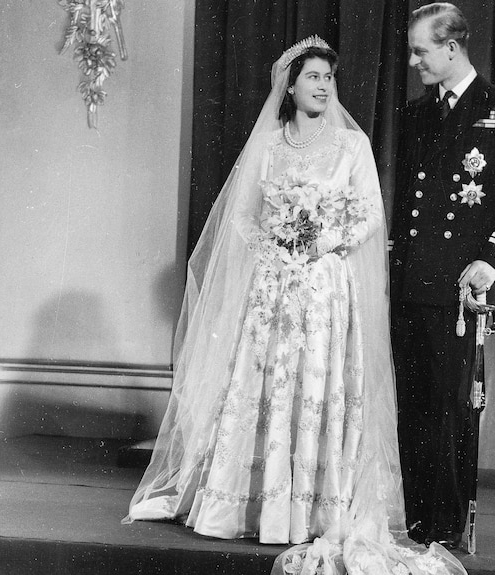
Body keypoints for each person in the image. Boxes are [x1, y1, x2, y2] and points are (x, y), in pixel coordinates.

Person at [125, 36, 466, 575]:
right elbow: (241, 215)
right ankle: (257, 505)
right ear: (291, 84)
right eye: (313, 77)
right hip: (274, 287)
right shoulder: (268, 146)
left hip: (327, 286)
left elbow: (371, 216)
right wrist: (274, 248)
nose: (324, 86)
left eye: (329, 78)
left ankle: (314, 508)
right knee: (269, 383)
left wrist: (320, 244)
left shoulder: (351, 148)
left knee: (318, 385)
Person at [390, 2, 495, 551]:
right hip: (411, 285)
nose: (413, 62)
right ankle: (417, 520)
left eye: (421, 51)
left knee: (452, 408)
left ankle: (448, 527)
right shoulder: (415, 115)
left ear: (452, 47)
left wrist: (494, 263)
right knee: (413, 403)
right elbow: (409, 203)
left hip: (460, 290)